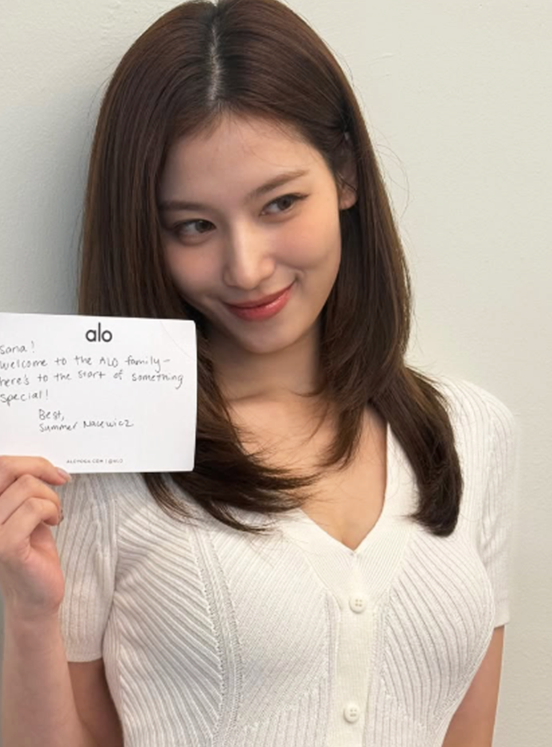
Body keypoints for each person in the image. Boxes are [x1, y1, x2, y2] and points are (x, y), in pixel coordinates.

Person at [0, 0, 518, 745]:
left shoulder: (473, 433)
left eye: (279, 203)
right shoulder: (99, 459)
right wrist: (28, 614)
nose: (245, 267)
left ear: (345, 174)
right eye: (194, 225)